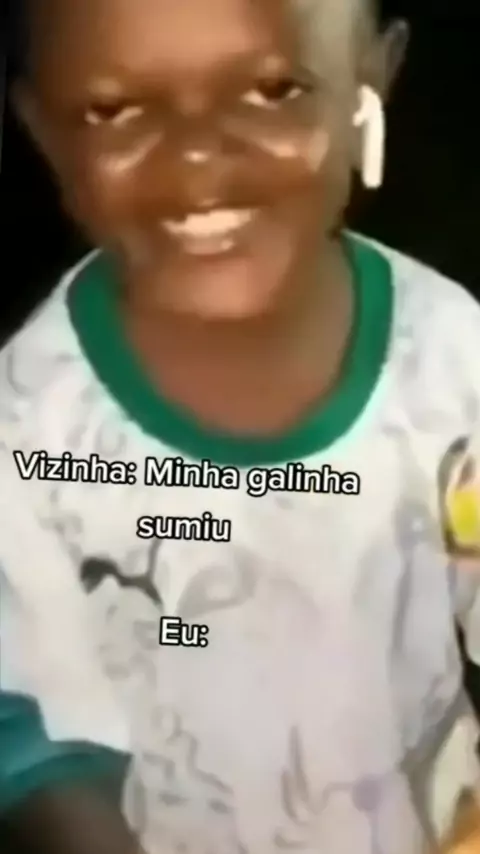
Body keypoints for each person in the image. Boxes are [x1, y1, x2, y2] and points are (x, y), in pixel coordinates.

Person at [1, 0, 480, 852]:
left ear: (371, 79)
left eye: (273, 90)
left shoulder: (453, 363)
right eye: (114, 109)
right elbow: (38, 738)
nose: (197, 157)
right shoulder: (28, 423)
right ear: (43, 130)